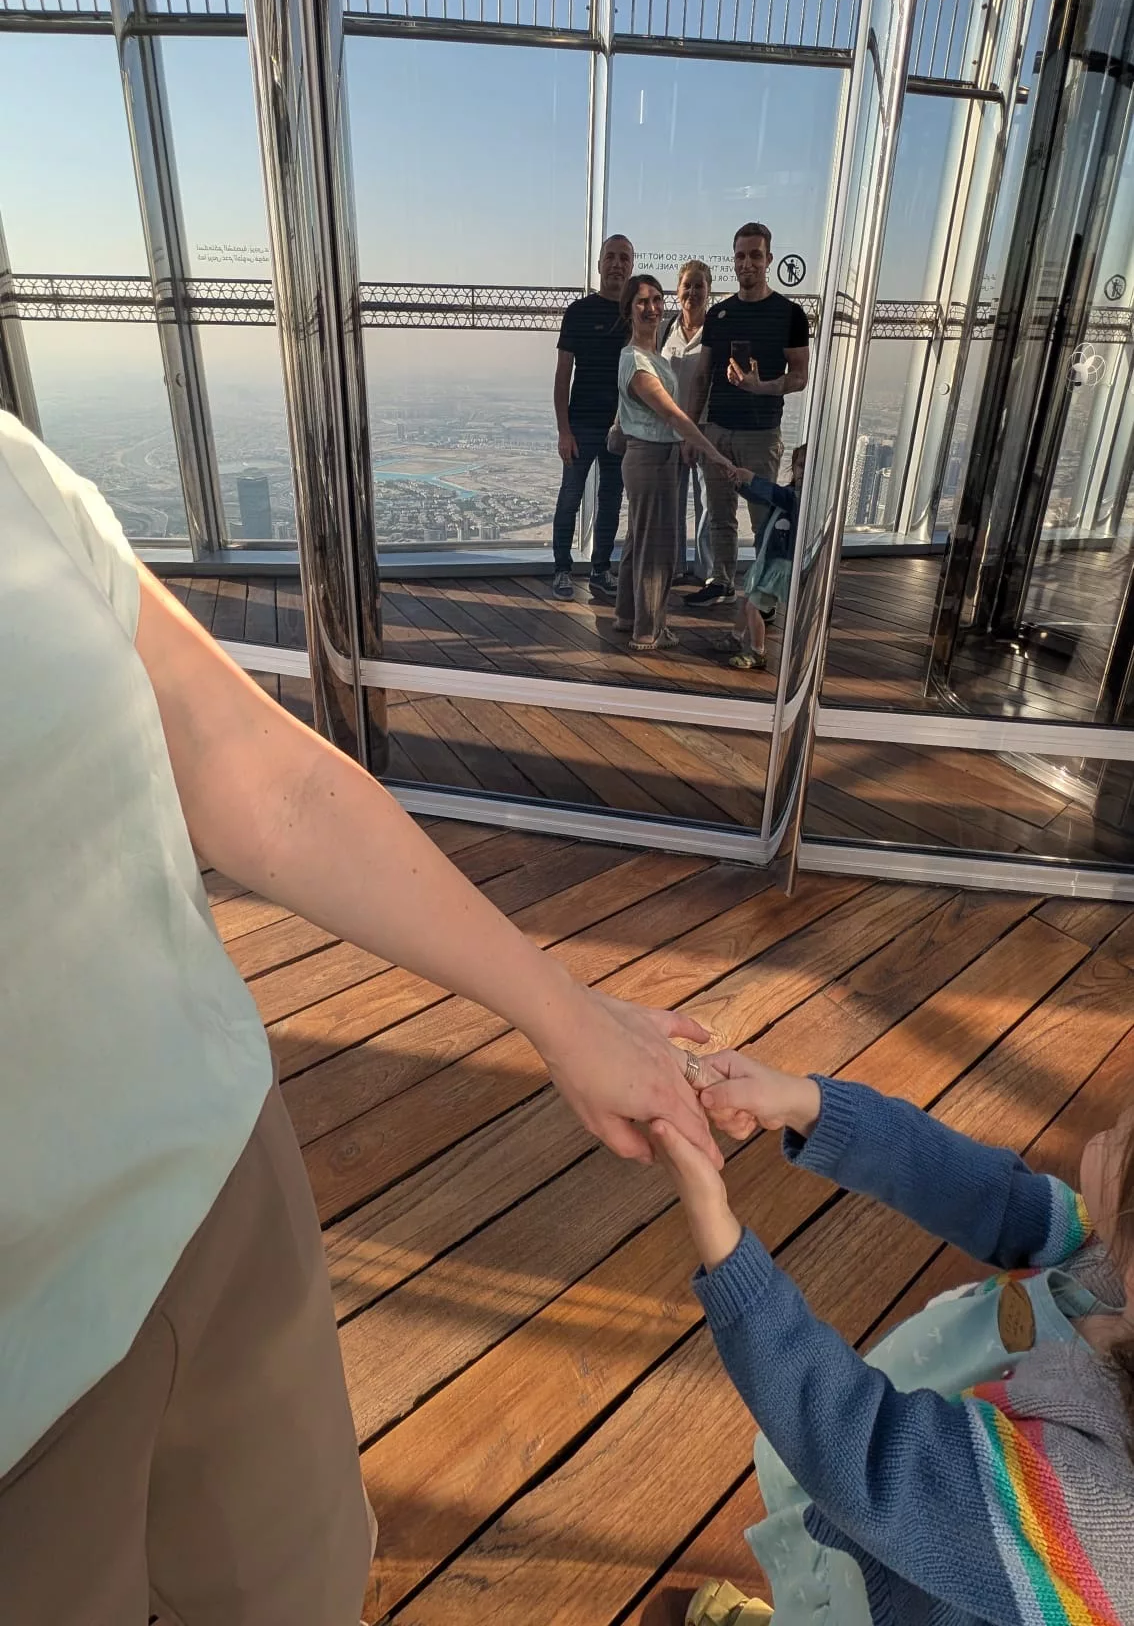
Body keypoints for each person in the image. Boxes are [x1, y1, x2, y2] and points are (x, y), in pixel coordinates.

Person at [0, 408, 722, 1626]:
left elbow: (255, 771)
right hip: (23, 1385)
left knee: (309, 1585)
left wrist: (564, 1013)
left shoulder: (15, 471)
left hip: (221, 1174)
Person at [649, 1052, 1134, 1626]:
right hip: (910, 1499)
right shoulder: (1108, 1250)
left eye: (1122, 1135)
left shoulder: (1099, 1513)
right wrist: (809, 1104)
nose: (1107, 1129)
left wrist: (723, 1246)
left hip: (908, 1592)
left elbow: (871, 1457)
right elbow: (984, 1195)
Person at [683, 223, 810, 610]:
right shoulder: (719, 314)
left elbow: (800, 377)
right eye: (741, 255)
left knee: (763, 521)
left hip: (760, 434)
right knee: (719, 515)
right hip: (718, 431)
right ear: (733, 259)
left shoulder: (790, 314)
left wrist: (761, 386)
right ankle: (720, 581)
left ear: (769, 259)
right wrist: (692, 433)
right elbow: (703, 374)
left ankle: (763, 599)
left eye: (756, 254)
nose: (747, 263)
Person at [614, 275, 742, 652]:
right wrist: (716, 455)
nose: (652, 307)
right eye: (642, 302)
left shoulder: (649, 356)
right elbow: (674, 416)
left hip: (654, 459)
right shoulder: (637, 361)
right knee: (657, 551)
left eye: (656, 299)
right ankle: (649, 631)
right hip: (651, 460)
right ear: (629, 309)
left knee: (640, 541)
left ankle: (627, 616)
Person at [551, 231, 635, 603]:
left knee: (611, 498)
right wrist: (563, 431)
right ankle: (562, 570)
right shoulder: (579, 312)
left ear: (631, 267)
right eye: (611, 256)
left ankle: (601, 569)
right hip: (582, 424)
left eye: (624, 258)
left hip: (621, 426)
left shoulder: (636, 315)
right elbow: (561, 375)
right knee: (570, 496)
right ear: (599, 264)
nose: (617, 263)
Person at [723, 443, 806, 673]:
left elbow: (771, 493)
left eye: (809, 467)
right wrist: (740, 485)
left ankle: (758, 652)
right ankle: (736, 636)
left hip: (779, 566)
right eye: (800, 465)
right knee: (749, 601)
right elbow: (765, 497)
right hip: (768, 562)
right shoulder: (789, 494)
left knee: (753, 607)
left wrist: (750, 478)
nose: (803, 471)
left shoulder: (799, 499)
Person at [661, 258, 714, 585]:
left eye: (699, 285)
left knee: (708, 502)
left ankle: (707, 572)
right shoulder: (667, 328)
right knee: (673, 501)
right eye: (687, 285)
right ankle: (676, 566)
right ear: (677, 291)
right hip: (670, 429)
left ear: (708, 291)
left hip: (705, 428)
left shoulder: (716, 331)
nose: (692, 292)